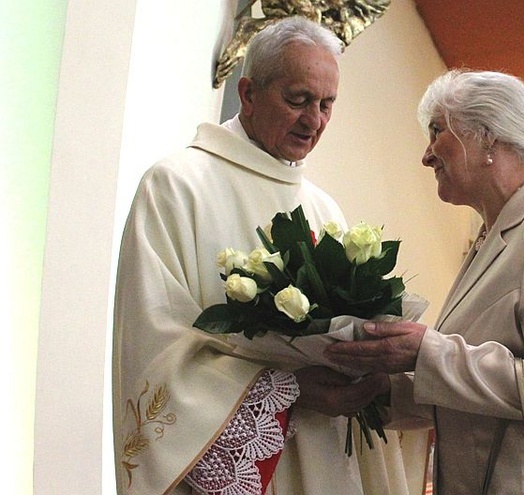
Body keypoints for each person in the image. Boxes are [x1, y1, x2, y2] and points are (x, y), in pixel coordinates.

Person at [112, 17, 422, 495]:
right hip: (243, 461)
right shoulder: (176, 186)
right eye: (297, 100)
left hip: (322, 451)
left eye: (326, 104)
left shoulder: (322, 207)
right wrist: (286, 392)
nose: (313, 120)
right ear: (249, 94)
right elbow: (154, 345)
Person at [326, 70, 524, 494]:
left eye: (437, 131)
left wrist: (427, 352)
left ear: (489, 140)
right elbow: (486, 391)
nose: (426, 156)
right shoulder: (498, 237)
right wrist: (380, 391)